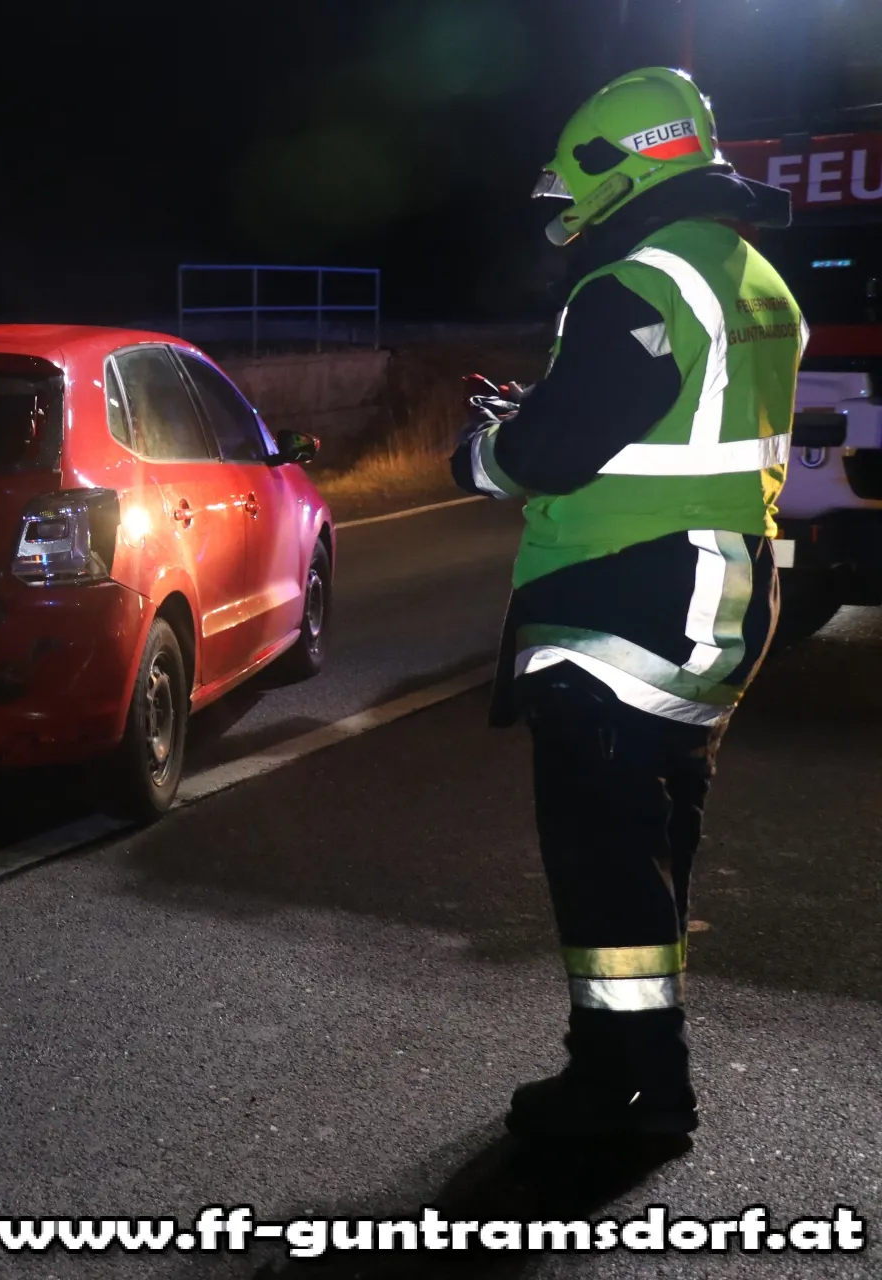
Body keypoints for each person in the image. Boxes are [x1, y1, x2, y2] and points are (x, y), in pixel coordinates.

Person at [452, 67, 804, 1142]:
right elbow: (662, 414)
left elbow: (551, 452)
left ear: (620, 165)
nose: (571, 211)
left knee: (603, 863)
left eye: (577, 185)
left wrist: (481, 453)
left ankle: (629, 1098)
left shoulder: (639, 282)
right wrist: (551, 408)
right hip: (719, 598)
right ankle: (634, 1072)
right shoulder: (753, 278)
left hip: (623, 604)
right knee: (649, 854)